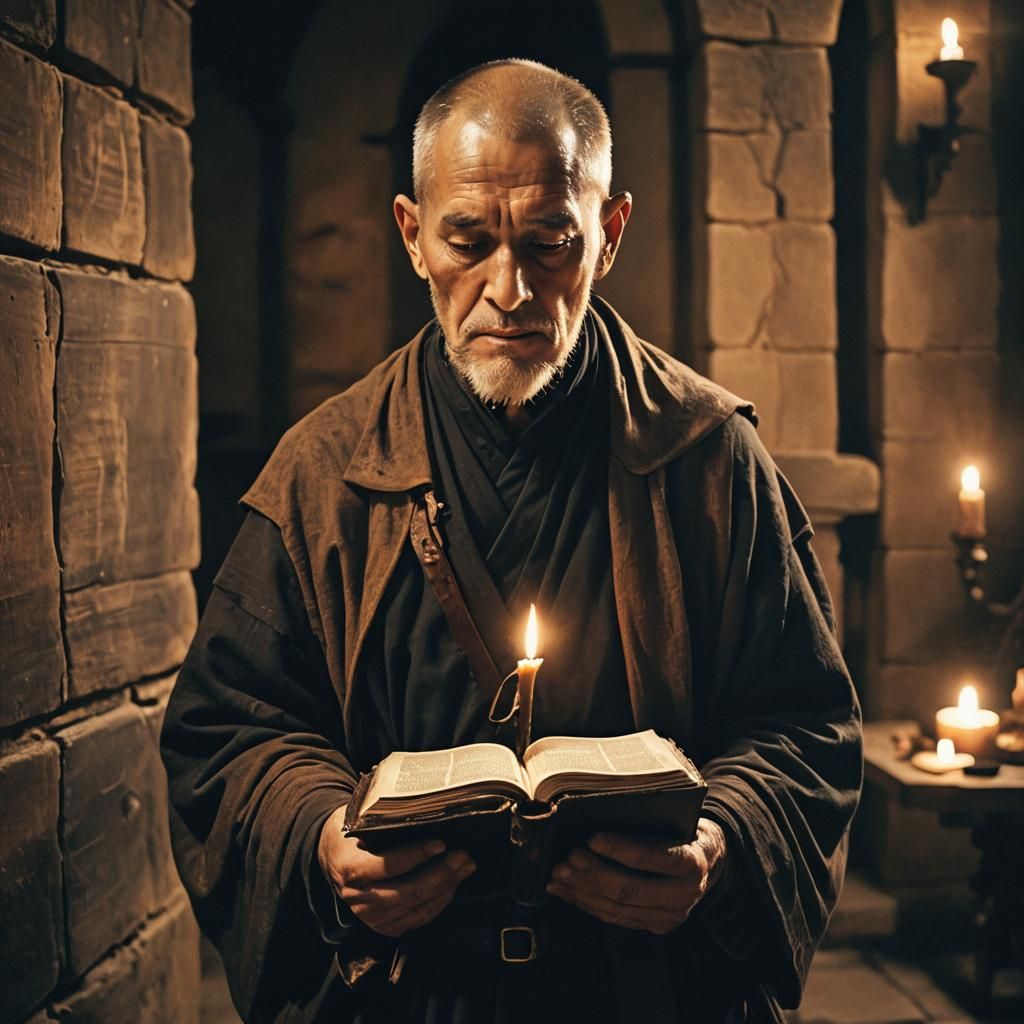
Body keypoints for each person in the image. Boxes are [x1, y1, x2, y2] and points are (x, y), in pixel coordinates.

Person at [162, 59, 862, 1024]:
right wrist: (323, 837)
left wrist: (721, 841)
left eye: (548, 243)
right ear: (413, 236)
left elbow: (808, 728)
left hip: (644, 989)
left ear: (608, 234)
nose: (510, 289)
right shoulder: (324, 474)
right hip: (410, 993)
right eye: (468, 241)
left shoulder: (707, 461)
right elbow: (227, 733)